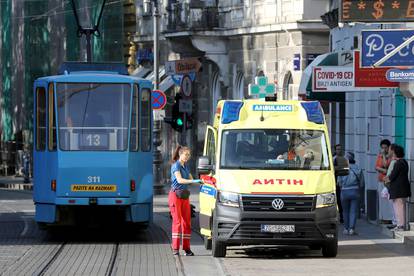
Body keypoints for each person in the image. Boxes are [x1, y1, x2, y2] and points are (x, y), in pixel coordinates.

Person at [169, 145, 203, 256]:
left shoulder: (185, 166)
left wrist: (199, 180)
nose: (187, 157)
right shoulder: (176, 166)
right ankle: (175, 248)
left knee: (187, 222)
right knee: (178, 222)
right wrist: (194, 181)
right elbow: (180, 180)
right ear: (180, 154)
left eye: (189, 155)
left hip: (184, 196)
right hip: (175, 195)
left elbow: (191, 179)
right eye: (186, 154)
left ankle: (187, 248)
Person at [384, 145, 412, 231]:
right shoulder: (404, 162)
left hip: (398, 190)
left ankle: (400, 226)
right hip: (403, 189)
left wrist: (386, 179)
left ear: (395, 152)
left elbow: (392, 176)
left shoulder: (398, 163)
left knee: (398, 208)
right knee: (401, 207)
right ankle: (400, 225)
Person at [338, 152, 364, 235]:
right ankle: (352, 229)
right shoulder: (358, 168)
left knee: (345, 211)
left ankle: (346, 228)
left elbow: (339, 182)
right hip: (355, 191)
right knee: (353, 211)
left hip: (344, 192)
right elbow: (362, 183)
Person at [375, 139, 394, 224]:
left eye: (385, 148)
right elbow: (376, 167)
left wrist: (383, 156)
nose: (384, 150)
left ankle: (389, 218)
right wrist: (383, 170)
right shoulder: (379, 156)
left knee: (388, 201)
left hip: (388, 182)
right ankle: (383, 217)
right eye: (382, 148)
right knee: (382, 201)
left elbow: (386, 165)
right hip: (381, 180)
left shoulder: (390, 157)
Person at [333, 144, 347, 223]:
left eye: (340, 149)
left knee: (341, 199)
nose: (339, 150)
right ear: (335, 150)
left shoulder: (344, 159)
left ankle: (342, 215)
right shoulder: (333, 159)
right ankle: (339, 215)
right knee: (337, 199)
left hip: (343, 182)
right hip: (335, 182)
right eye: (338, 149)